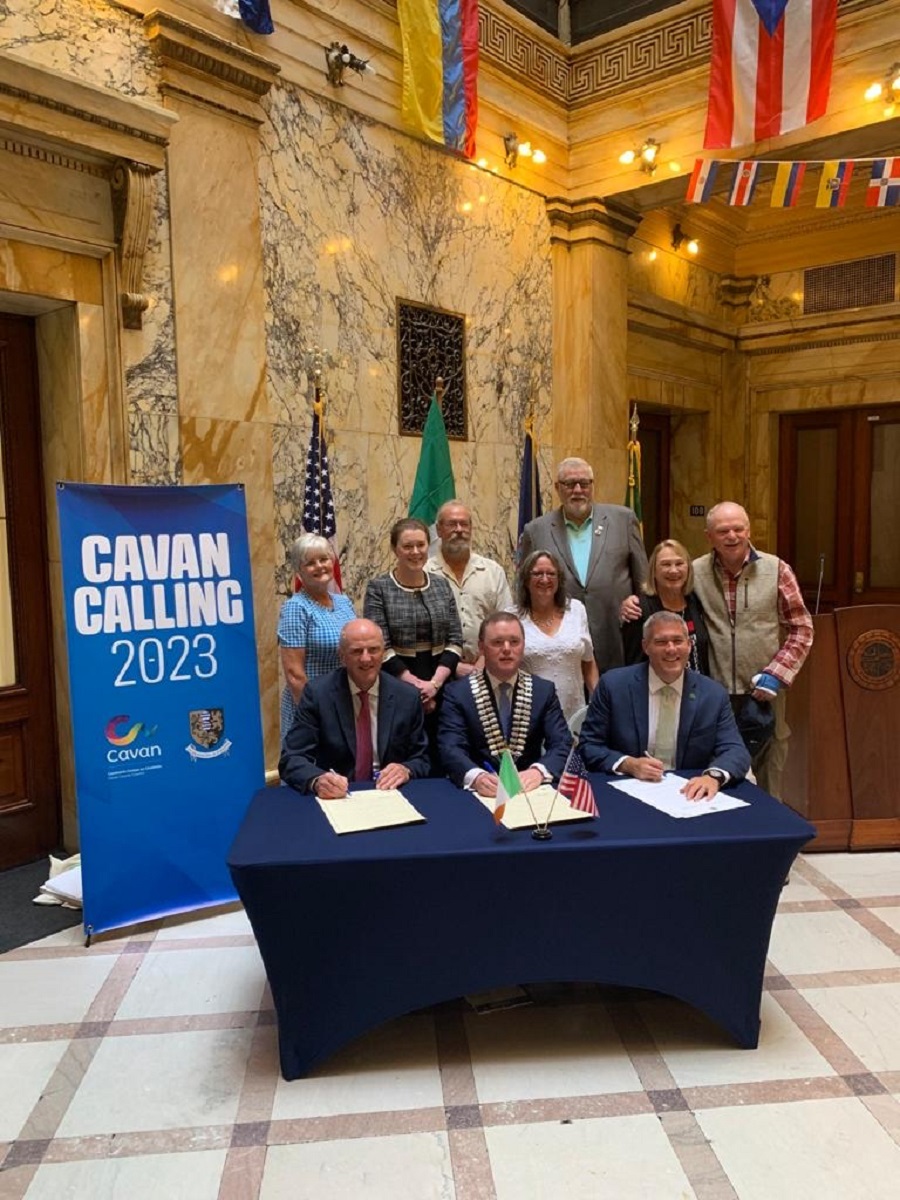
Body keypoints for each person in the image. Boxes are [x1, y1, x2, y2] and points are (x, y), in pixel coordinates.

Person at [690, 501, 813, 799]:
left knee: (771, 763)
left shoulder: (777, 569)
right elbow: (667, 601)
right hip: (714, 692)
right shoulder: (695, 571)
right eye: (723, 531)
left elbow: (801, 627)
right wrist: (633, 605)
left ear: (749, 530)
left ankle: (772, 836)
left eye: (738, 529)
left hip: (765, 690)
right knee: (715, 766)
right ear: (709, 536)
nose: (732, 536)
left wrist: (776, 675)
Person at [579, 611, 749, 799]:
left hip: (689, 795)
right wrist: (628, 764)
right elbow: (589, 745)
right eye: (661, 642)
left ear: (689, 645)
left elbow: (735, 750)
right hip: (628, 791)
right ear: (646, 646)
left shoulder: (713, 694)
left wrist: (713, 777)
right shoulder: (613, 686)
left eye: (678, 641)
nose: (671, 649)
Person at [518, 456, 648, 672]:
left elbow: (643, 579)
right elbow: (524, 587)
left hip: (616, 635)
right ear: (558, 488)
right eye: (569, 484)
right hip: (560, 644)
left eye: (584, 483)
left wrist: (637, 600)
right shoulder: (536, 530)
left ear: (592, 486)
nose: (577, 490)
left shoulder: (623, 520)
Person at [279, 618, 430, 796]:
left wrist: (406, 769)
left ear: (383, 653)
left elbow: (423, 758)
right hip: (338, 796)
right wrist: (318, 780)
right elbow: (291, 758)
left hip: (390, 794)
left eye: (373, 650)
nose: (366, 658)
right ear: (342, 656)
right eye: (357, 651)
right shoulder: (318, 694)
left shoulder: (407, 696)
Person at [363, 517, 463, 767]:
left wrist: (434, 685)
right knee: (406, 760)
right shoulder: (379, 588)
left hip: (442, 685)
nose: (415, 552)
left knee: (445, 758)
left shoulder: (442, 585)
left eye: (421, 545)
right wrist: (415, 686)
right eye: (407, 546)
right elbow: (381, 645)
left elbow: (455, 640)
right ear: (395, 549)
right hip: (396, 686)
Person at [438, 612, 572, 795]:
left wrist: (538, 772)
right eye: (497, 642)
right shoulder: (458, 693)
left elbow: (562, 743)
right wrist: (476, 777)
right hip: (480, 794)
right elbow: (450, 747)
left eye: (514, 642)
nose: (507, 649)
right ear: (482, 648)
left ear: (523, 646)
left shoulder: (543, 691)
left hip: (530, 793)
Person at [277, 533, 355, 743]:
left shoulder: (344, 603)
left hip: (344, 701)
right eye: (310, 563)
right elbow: (294, 674)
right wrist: (318, 714)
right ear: (299, 571)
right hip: (310, 707)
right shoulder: (296, 607)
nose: (319, 566)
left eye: (324, 559)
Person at [425, 500, 513, 675]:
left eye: (464, 524)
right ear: (439, 530)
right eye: (452, 524)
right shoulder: (424, 573)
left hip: (489, 670)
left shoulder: (492, 571)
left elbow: (506, 622)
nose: (459, 530)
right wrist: (452, 667)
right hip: (437, 674)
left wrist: (483, 662)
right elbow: (419, 632)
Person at [514, 549, 598, 723]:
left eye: (551, 574)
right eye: (537, 573)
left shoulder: (576, 610)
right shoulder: (512, 618)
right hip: (529, 717)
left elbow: (588, 662)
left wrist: (598, 702)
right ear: (526, 580)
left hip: (574, 714)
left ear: (559, 579)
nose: (545, 579)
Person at [620, 539, 710, 675]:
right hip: (657, 692)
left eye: (679, 563)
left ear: (688, 569)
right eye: (665, 564)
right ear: (654, 571)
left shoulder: (695, 601)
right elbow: (633, 664)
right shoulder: (638, 609)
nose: (673, 570)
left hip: (696, 690)